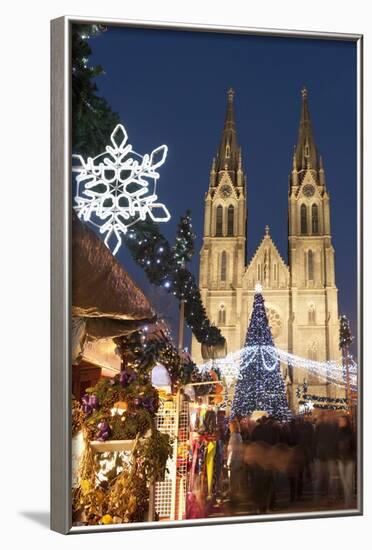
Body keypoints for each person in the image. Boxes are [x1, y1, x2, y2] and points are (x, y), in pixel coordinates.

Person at [336, 415, 356, 508]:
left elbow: (355, 446)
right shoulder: (337, 432)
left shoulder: (351, 433)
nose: (340, 422)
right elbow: (335, 446)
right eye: (339, 420)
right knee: (344, 482)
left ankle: (348, 502)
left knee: (349, 482)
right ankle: (349, 501)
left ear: (346, 422)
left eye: (342, 420)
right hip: (341, 459)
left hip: (349, 459)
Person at [227, 419, 243, 506]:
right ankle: (236, 498)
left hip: (234, 461)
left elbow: (231, 450)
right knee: (237, 480)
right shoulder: (239, 435)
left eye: (230, 425)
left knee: (233, 481)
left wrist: (228, 462)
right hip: (239, 460)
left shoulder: (233, 436)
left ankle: (233, 500)